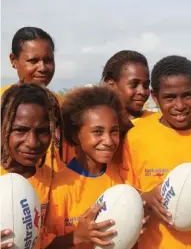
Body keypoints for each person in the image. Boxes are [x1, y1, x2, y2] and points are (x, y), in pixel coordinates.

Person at [120, 55, 191, 249]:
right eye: (170, 97)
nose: (180, 106)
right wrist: (144, 198)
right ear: (155, 97)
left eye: (187, 95)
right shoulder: (135, 137)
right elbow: (124, 194)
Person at [43, 85, 146, 249]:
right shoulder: (58, 188)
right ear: (75, 135)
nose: (108, 140)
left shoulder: (122, 177)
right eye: (97, 132)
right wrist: (76, 236)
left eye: (114, 131)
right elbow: (46, 245)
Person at [1, 26, 73, 172]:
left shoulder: (63, 108)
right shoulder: (3, 103)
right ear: (13, 60)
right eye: (33, 61)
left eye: (48, 60)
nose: (43, 68)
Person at [1, 83, 63, 249]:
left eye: (43, 131)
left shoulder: (54, 180)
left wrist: (77, 236)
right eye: (21, 130)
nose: (32, 142)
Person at [101, 50, 153, 125]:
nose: (142, 91)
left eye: (146, 85)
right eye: (133, 84)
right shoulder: (96, 125)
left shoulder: (159, 123)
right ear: (111, 85)